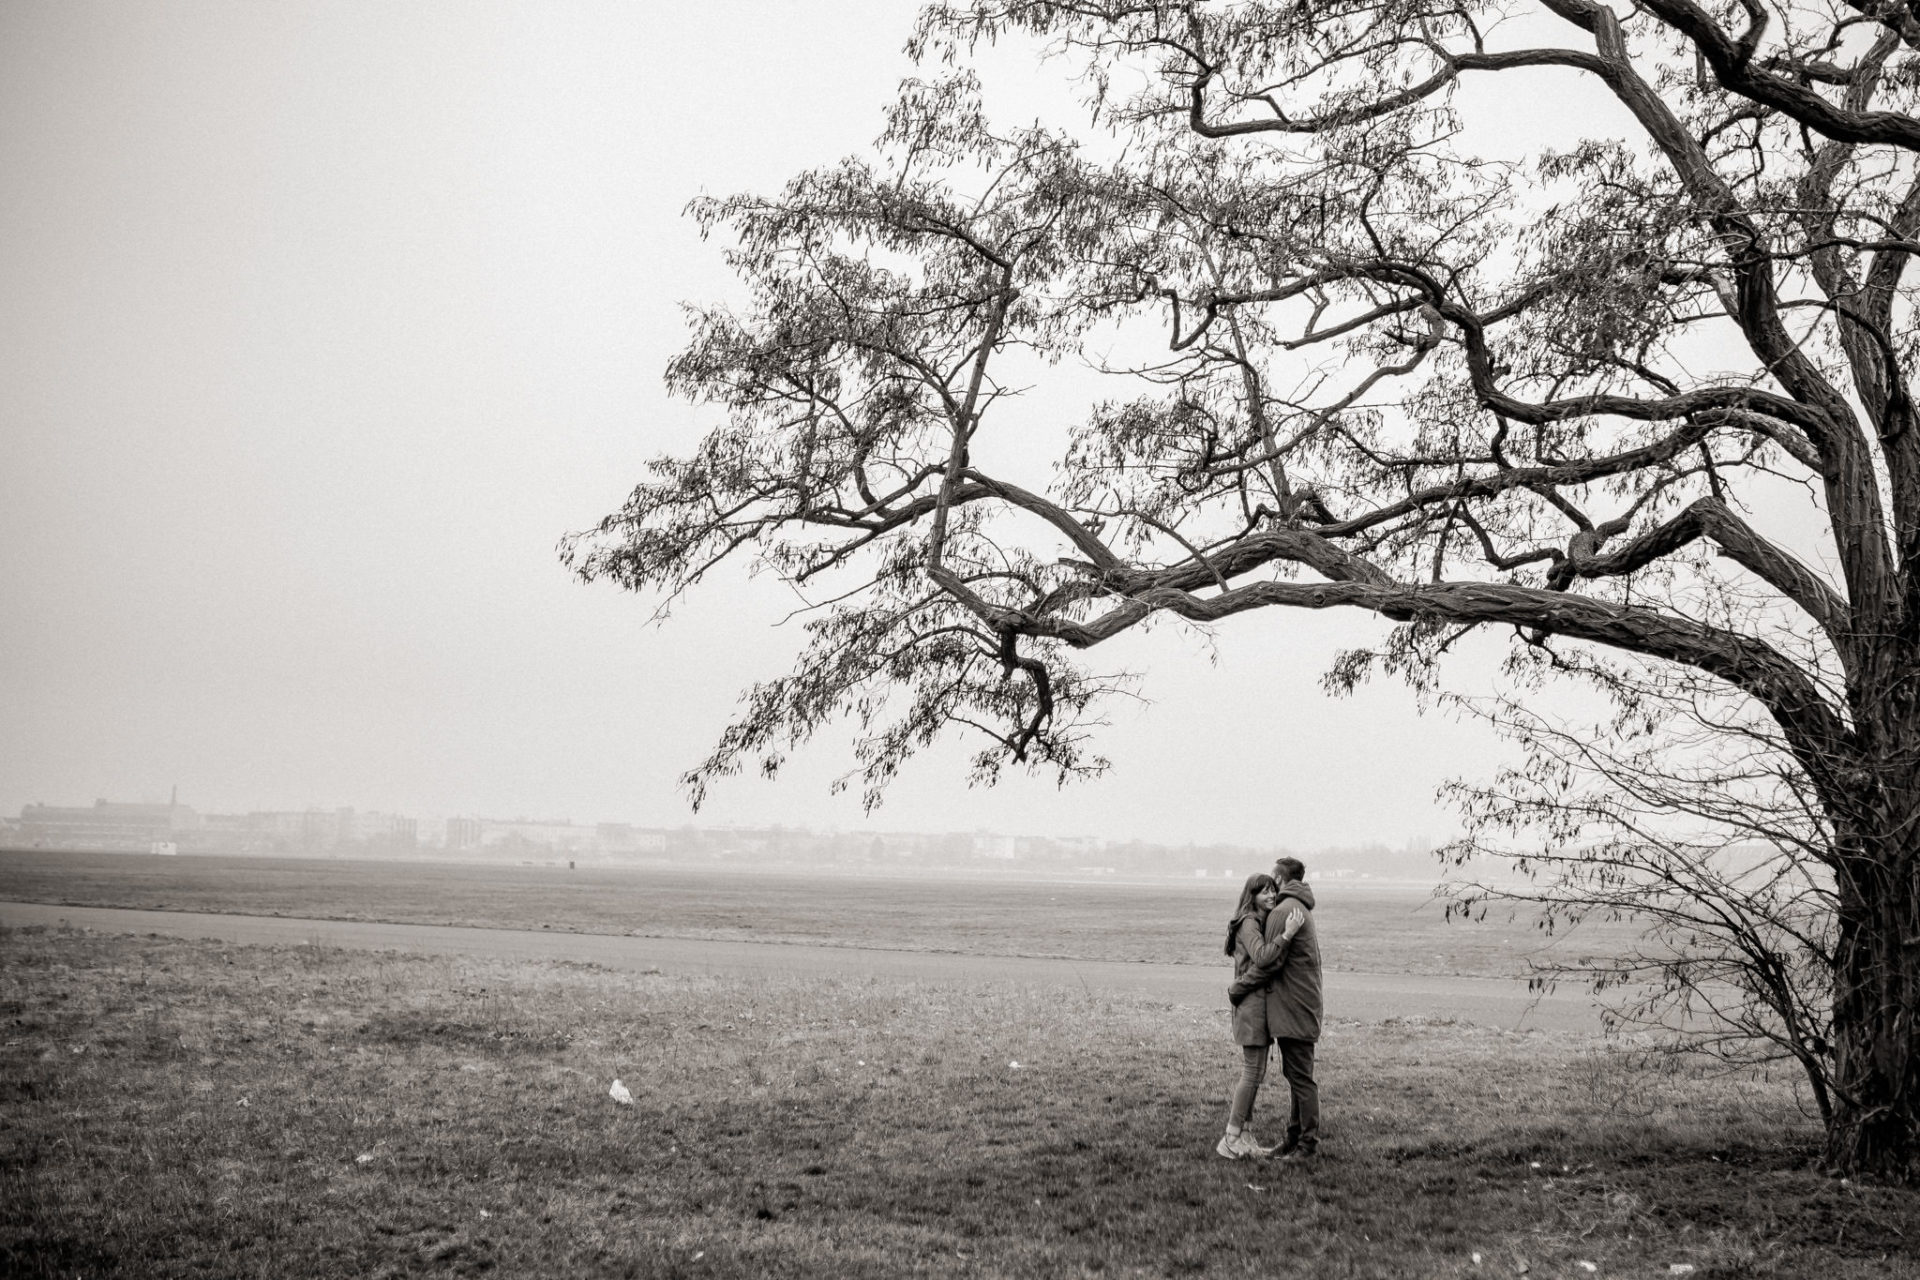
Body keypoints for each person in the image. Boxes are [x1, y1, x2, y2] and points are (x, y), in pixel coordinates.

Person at [1228, 857, 1322, 1159]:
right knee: (1295, 1075)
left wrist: (1238, 987)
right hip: (1299, 1005)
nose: (1270, 892)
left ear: (1280, 880)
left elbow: (1267, 963)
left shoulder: (1283, 912)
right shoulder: (1297, 907)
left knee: (1299, 1078)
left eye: (1272, 884)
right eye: (1263, 890)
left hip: (1293, 1007)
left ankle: (1305, 1144)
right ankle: (1293, 1139)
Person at [1218, 872, 1282, 1159]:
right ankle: (1231, 1137)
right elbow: (1263, 957)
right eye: (1264, 891)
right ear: (1252, 896)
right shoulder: (1249, 922)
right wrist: (1287, 935)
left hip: (1256, 1004)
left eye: (1273, 890)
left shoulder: (1256, 921)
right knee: (1252, 1071)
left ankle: (1245, 1134)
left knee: (1257, 1072)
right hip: (1251, 1006)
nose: (1271, 895)